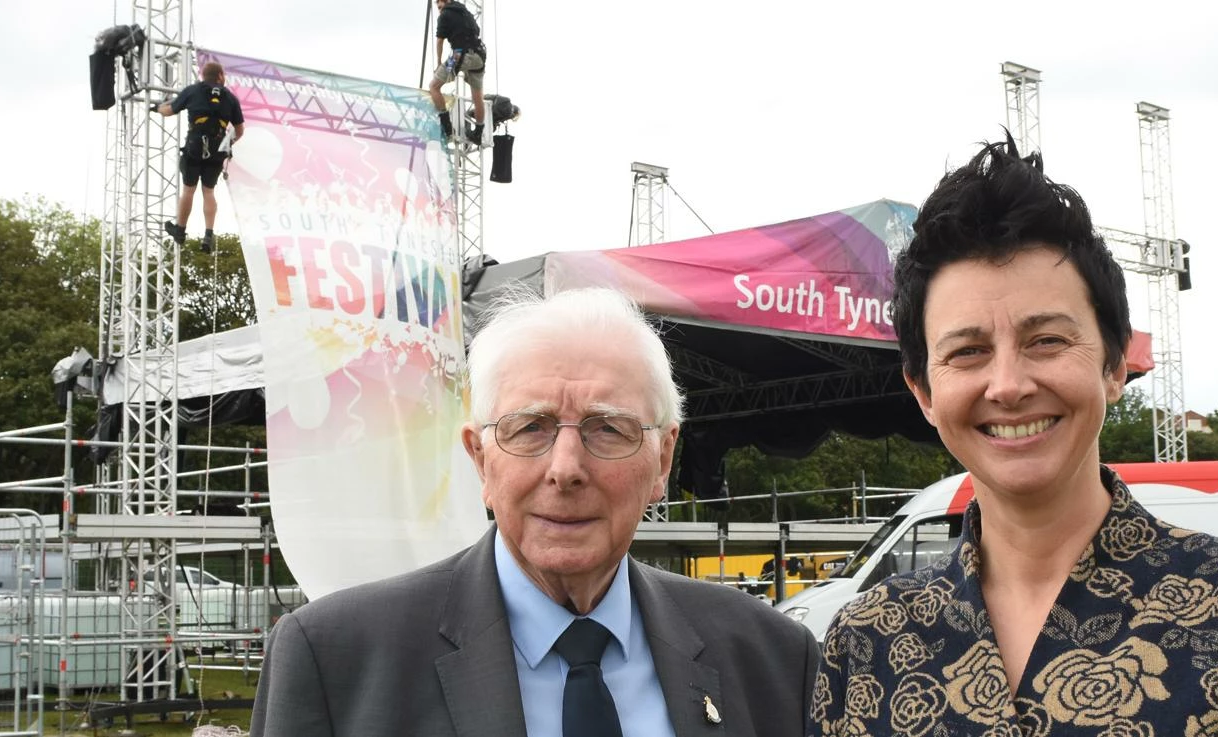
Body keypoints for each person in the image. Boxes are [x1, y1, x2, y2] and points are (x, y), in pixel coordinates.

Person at [808, 137, 1218, 737]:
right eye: (968, 352)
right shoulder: (867, 639)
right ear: (924, 393)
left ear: (1115, 365)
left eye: (1047, 340)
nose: (1009, 385)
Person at [251, 287, 818, 737]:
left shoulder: (772, 659)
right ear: (480, 459)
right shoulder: (336, 659)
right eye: (530, 428)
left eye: (608, 428)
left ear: (663, 459)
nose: (565, 468)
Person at [153, 61, 243, 254]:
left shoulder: (192, 91)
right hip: (218, 148)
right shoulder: (230, 98)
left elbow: (169, 111)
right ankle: (208, 235)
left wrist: (158, 108)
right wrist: (227, 144)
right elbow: (239, 130)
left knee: (189, 190)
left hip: (194, 146)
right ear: (220, 76)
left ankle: (180, 230)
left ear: (204, 76)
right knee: (208, 191)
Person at [429, 0, 487, 145]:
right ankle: (478, 133)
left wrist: (438, 62)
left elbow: (439, 42)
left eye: (439, 5)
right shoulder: (465, 11)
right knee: (477, 96)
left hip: (458, 56)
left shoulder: (444, 16)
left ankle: (447, 129)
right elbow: (476, 31)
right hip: (480, 56)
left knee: (434, 86)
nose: (439, 8)